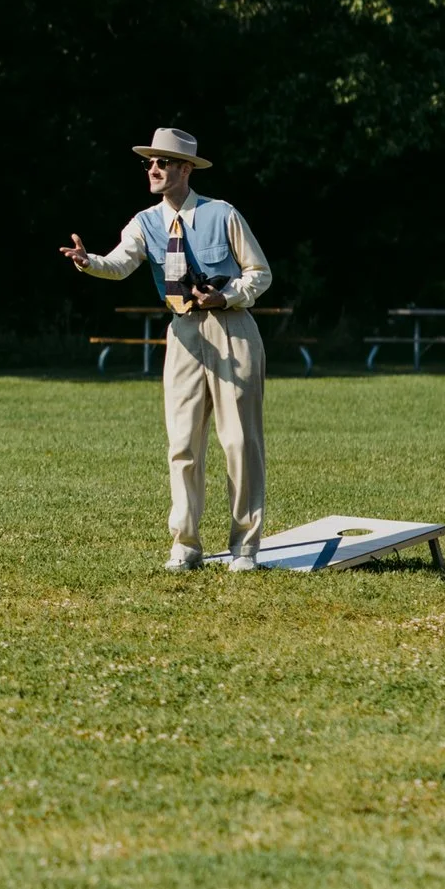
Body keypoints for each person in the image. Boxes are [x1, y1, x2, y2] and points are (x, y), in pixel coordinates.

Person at [60, 128, 275, 572]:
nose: (153, 170)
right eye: (149, 163)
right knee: (182, 443)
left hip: (232, 329)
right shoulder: (144, 222)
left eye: (162, 163)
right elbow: (120, 263)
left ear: (185, 169)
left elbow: (260, 272)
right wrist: (89, 262)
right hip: (183, 335)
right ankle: (186, 543)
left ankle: (246, 546)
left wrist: (227, 295)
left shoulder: (222, 214)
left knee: (239, 440)